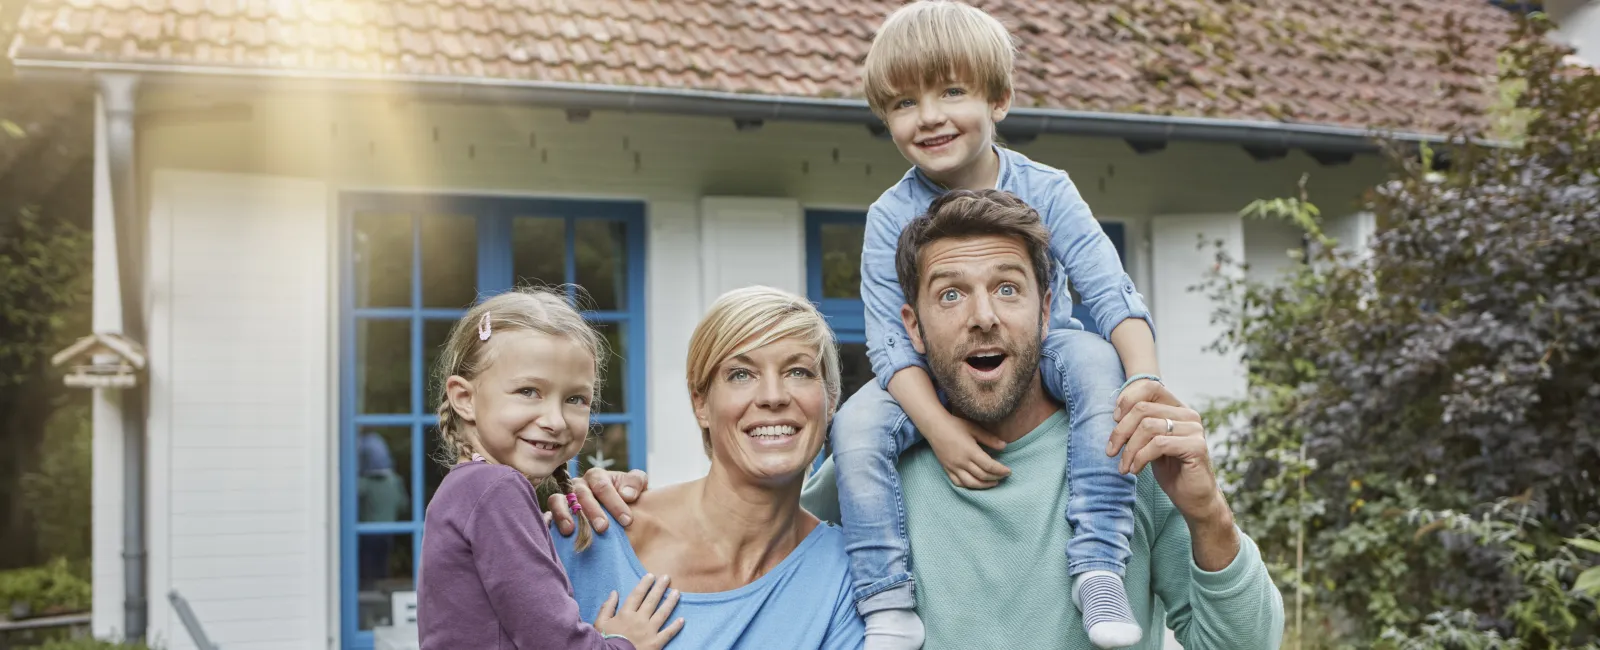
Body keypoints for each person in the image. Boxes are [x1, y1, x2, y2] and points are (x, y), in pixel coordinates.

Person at [560, 191, 1285, 649]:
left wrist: (1208, 514)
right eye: (949, 295)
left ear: (1045, 307)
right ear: (910, 325)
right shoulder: (866, 479)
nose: (981, 317)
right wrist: (613, 497)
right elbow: (751, 520)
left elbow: (1246, 645)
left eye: (1007, 288)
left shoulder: (1121, 452)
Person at [835, 2, 1164, 647]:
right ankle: (887, 599)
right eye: (904, 103)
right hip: (931, 372)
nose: (928, 116)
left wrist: (1145, 376)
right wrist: (940, 430)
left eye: (951, 92)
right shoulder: (888, 215)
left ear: (1000, 100)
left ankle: (1097, 564)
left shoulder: (1049, 187)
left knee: (1101, 364)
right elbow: (888, 343)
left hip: (1047, 345)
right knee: (855, 423)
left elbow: (1110, 292)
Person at [549, 286, 865, 649]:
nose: (774, 396)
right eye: (741, 375)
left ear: (831, 400)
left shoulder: (847, 573)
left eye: (798, 371)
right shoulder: (590, 535)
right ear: (700, 403)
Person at [416, 287, 684, 650]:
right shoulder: (496, 489)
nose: (555, 420)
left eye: (575, 399)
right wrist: (624, 642)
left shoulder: (469, 489)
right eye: (529, 391)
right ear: (464, 398)